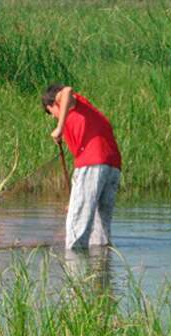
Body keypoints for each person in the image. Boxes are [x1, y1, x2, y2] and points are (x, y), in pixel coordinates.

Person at [41, 84, 121, 250]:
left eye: (51, 113)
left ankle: (74, 272)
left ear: (52, 106)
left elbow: (67, 90)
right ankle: (101, 269)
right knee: (100, 232)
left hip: (94, 162)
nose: (54, 117)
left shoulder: (71, 103)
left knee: (76, 226)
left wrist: (59, 127)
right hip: (112, 164)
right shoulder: (82, 112)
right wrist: (76, 201)